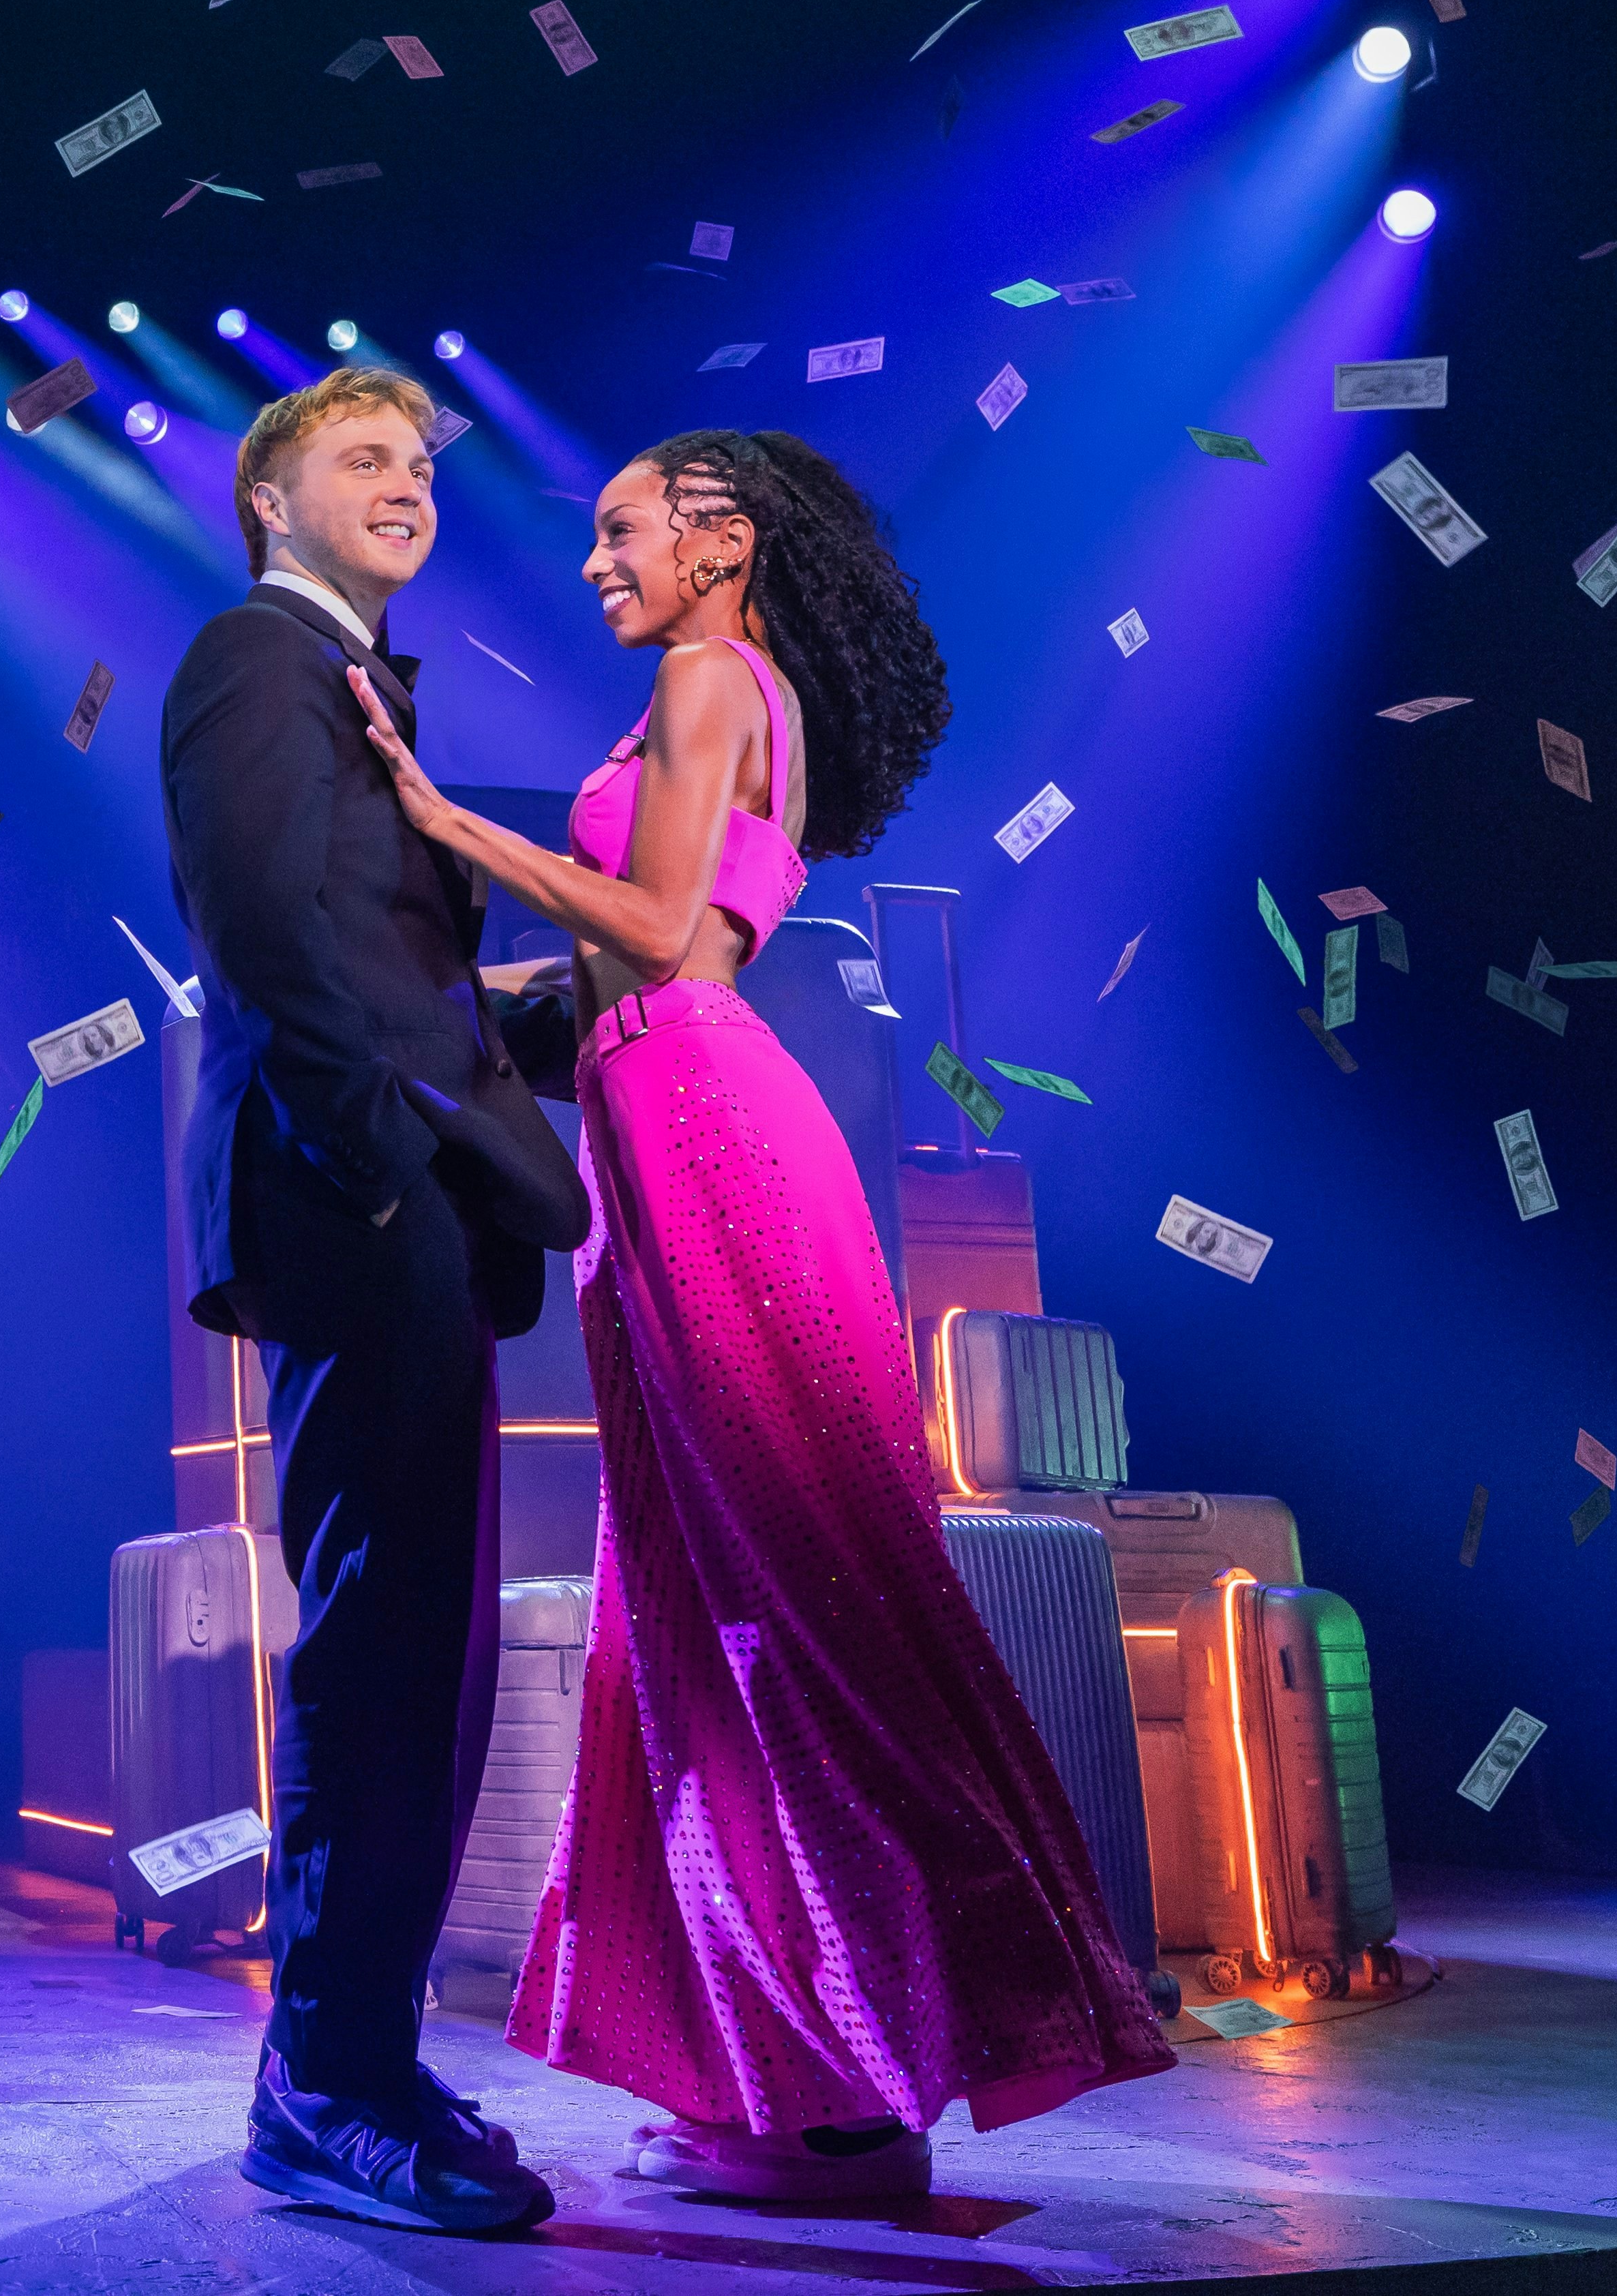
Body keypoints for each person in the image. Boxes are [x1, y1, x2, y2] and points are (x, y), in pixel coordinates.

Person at [343, 427, 1173, 2201]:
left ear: (719, 540)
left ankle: (855, 2099)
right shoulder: (732, 687)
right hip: (673, 1122)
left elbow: (650, 934)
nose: (593, 564)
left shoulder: (715, 671)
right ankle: (787, 2080)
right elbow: (645, 954)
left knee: (784, 1613)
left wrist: (437, 821)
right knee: (712, 1614)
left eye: (619, 530)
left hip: (705, 1130)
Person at [160, 368, 588, 2234]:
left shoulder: (348, 679)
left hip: (409, 1185)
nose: (404, 482)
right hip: (360, 1196)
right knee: (377, 1638)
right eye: (361, 458)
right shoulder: (251, 655)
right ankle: (326, 2080)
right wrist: (382, 1151)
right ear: (272, 499)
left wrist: (594, 1012)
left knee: (423, 1640)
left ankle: (361, 2054)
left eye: (417, 461)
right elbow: (266, 934)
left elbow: (390, 962)